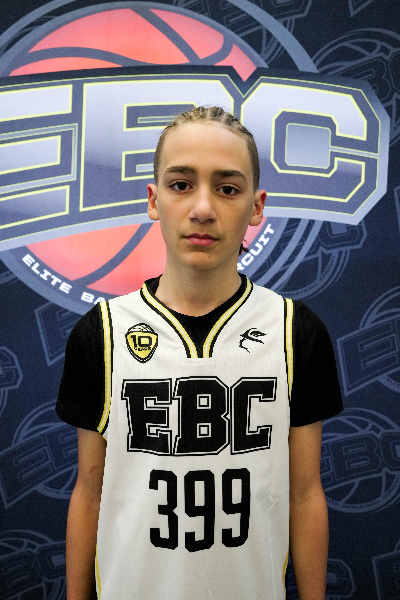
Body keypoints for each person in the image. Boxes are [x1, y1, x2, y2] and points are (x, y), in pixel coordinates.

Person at [56, 106, 343, 600]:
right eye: (181, 184)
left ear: (257, 206)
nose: (203, 208)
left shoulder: (295, 332)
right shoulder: (101, 332)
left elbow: (304, 493)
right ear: (154, 200)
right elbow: (90, 491)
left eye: (227, 188)